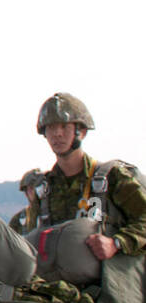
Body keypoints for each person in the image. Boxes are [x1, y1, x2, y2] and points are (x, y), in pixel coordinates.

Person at [26, 93, 146, 258]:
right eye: (51, 127)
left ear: (81, 132)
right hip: (54, 280)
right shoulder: (43, 189)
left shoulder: (112, 177)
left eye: (64, 126)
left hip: (103, 279)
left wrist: (116, 243)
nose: (57, 134)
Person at [9, 168, 45, 235]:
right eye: (28, 189)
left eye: (32, 188)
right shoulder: (18, 220)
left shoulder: (53, 213)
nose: (31, 192)